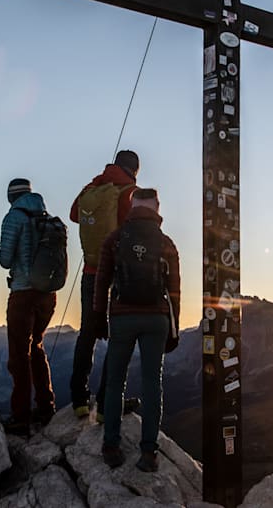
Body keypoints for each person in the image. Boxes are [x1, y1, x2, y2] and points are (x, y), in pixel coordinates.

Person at [94, 188, 180, 472]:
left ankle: (111, 446)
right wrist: (174, 327)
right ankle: (148, 453)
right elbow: (175, 291)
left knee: (116, 380)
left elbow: (102, 280)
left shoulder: (115, 239)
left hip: (122, 316)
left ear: (132, 206)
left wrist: (98, 317)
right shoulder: (166, 243)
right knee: (152, 382)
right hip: (156, 319)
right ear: (156, 207)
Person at [69, 149, 139, 418]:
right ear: (134, 169)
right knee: (119, 335)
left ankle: (79, 400)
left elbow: (75, 214)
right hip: (119, 271)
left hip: (91, 270)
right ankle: (107, 404)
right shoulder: (130, 192)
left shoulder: (95, 186)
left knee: (87, 331)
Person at [0, 177, 57, 436]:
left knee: (19, 355)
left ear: (12, 196)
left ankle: (20, 416)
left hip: (22, 293)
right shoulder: (46, 217)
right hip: (47, 294)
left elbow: (4, 260)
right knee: (37, 347)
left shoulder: (14, 218)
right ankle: (46, 407)